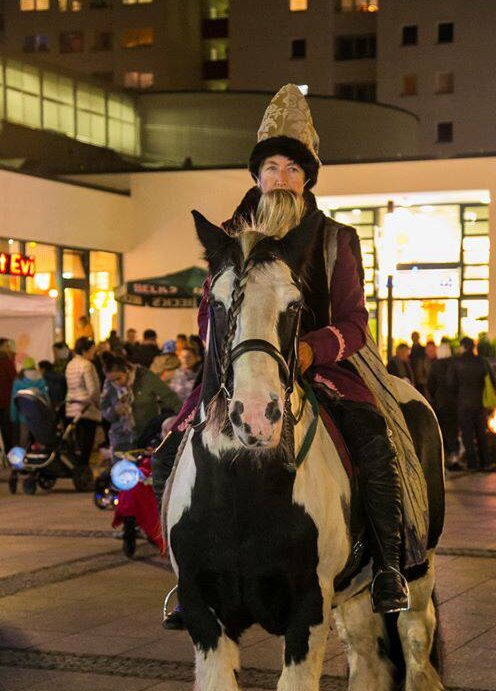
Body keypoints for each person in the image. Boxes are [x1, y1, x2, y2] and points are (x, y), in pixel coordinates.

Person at [154, 83, 412, 614]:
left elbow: (354, 323)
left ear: (306, 180)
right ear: (256, 177)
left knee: (373, 438)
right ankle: (188, 571)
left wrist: (311, 351)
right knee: (167, 445)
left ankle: (388, 565)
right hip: (239, 369)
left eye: (293, 170)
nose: (281, 178)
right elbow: (209, 311)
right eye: (271, 167)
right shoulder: (227, 238)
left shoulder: (337, 239)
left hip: (320, 370)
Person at [103, 356, 181, 449]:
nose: (116, 383)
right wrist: (114, 411)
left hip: (146, 436)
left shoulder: (145, 377)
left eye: (118, 378)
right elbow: (103, 408)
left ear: (127, 370)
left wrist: (183, 417)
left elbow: (169, 396)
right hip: (120, 439)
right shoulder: (109, 383)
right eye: (112, 381)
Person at [450, 336, 492, 471]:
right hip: (479, 402)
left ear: (463, 347)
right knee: (481, 433)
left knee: (467, 434)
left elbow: (451, 383)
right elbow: (492, 381)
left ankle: (472, 463)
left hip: (463, 403)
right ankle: (485, 462)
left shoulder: (456, 362)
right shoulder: (482, 361)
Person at [65, 337, 101, 465]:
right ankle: (83, 470)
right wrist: (98, 404)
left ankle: (77, 468)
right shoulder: (87, 365)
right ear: (85, 350)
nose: (94, 353)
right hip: (86, 410)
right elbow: (93, 390)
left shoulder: (70, 364)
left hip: (71, 409)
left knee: (77, 444)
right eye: (92, 350)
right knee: (86, 446)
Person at [427, 340, 459, 467]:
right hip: (454, 402)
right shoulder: (454, 364)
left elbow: (431, 384)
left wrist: (434, 396)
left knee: (442, 429)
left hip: (440, 402)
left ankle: (444, 456)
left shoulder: (435, 365)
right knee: (453, 429)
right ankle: (454, 454)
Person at [10, 356, 49, 446]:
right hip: (39, 415)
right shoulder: (41, 379)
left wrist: (13, 416)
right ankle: (40, 457)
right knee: (39, 438)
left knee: (23, 438)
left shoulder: (18, 381)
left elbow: (14, 401)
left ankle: (22, 457)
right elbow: (46, 398)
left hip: (24, 415)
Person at [0, 338, 17, 450]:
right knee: (8, 431)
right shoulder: (7, 361)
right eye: (7, 346)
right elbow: (15, 379)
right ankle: (10, 457)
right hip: (6, 401)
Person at [409, 331, 428, 397]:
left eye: (415, 336)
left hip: (420, 376)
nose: (414, 338)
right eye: (413, 337)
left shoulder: (422, 349)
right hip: (414, 376)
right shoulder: (411, 349)